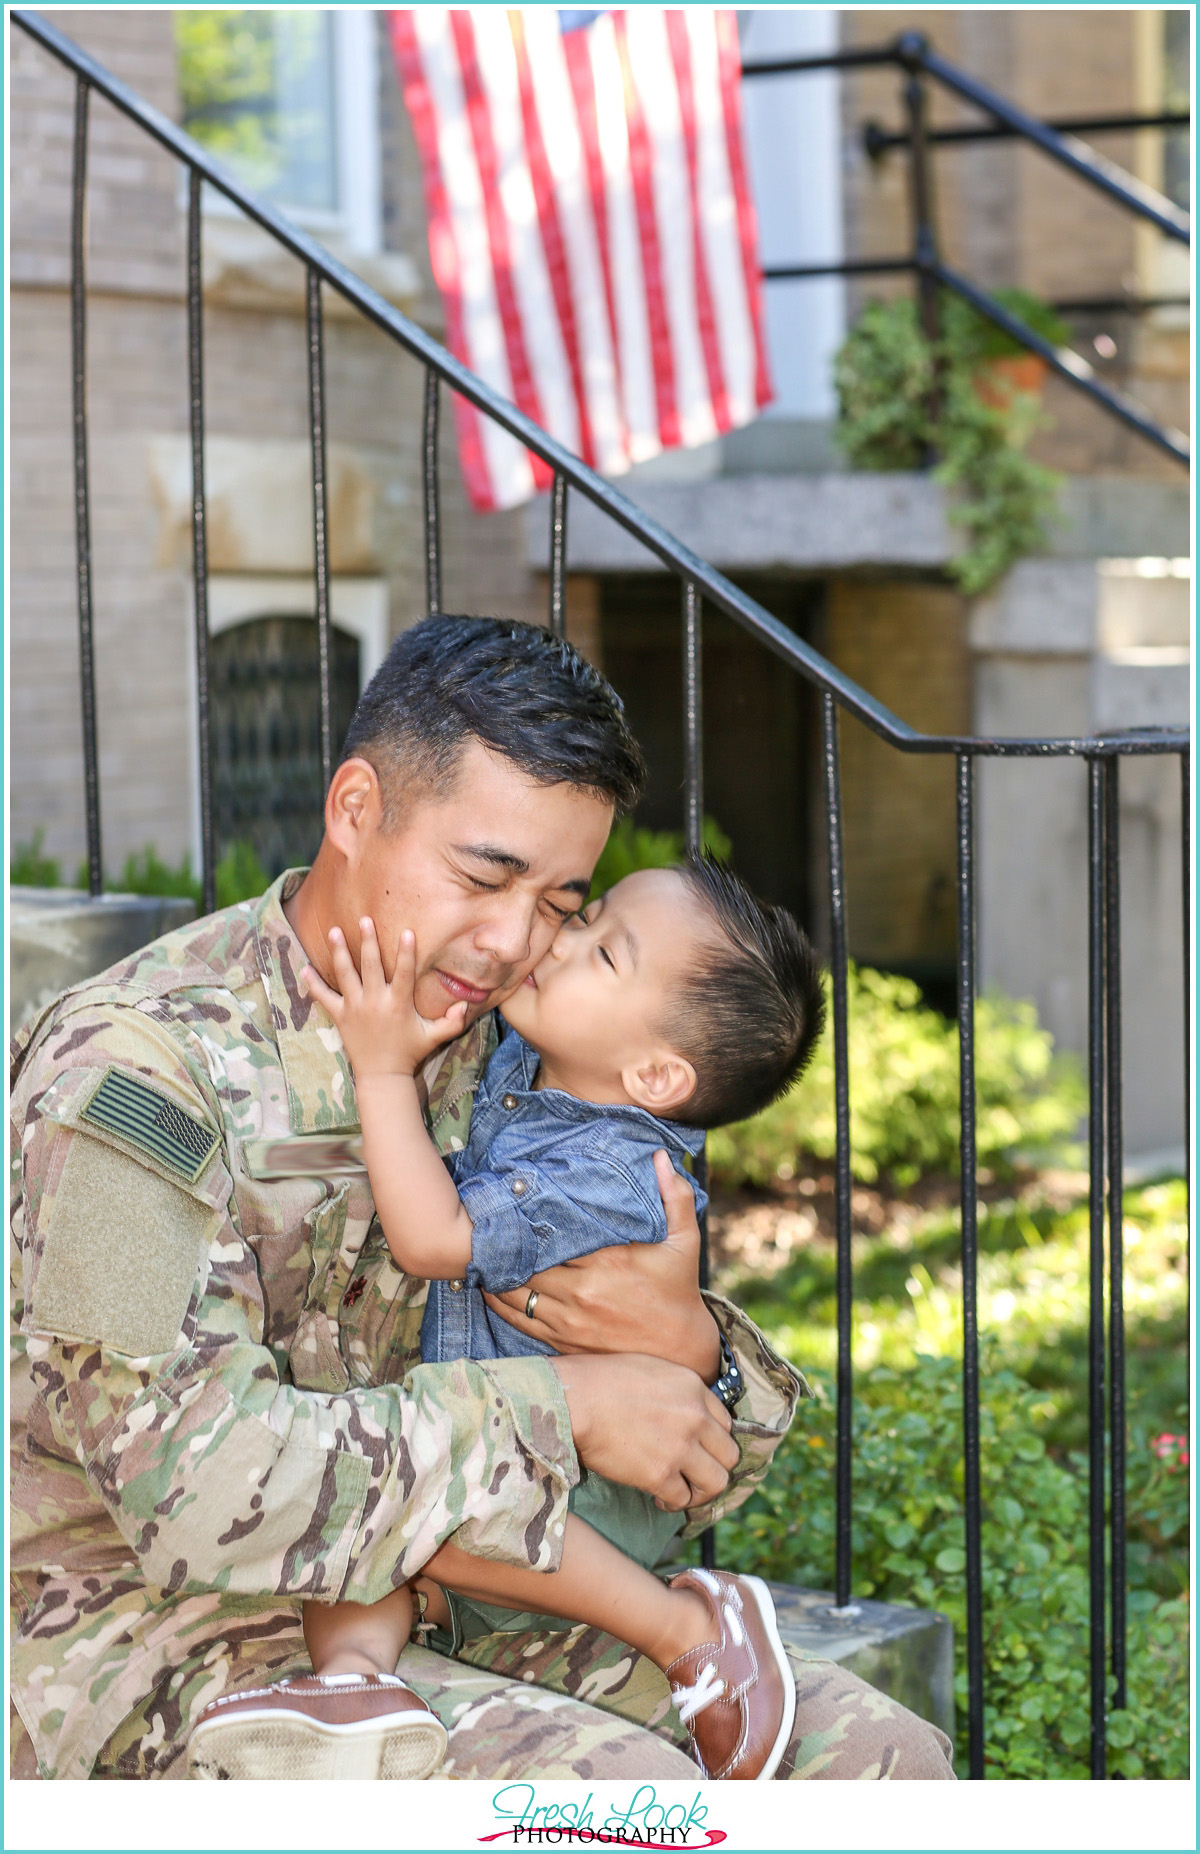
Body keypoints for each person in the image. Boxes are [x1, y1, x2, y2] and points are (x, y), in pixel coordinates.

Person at [10, 615, 956, 1781]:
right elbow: (196, 1491)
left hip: (467, 1595)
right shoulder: (128, 1080)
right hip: (156, 1628)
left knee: (881, 1765)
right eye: (483, 875)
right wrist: (560, 1407)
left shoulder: (513, 1045)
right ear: (356, 809)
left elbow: (694, 1457)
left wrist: (686, 1347)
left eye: (563, 901)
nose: (517, 940)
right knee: (620, 1806)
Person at [188, 856, 826, 1782]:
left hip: (587, 1485)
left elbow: (435, 1240)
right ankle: (354, 1688)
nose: (556, 940)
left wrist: (380, 1069)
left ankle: (690, 1628)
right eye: (586, 913)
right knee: (367, 1544)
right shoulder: (543, 1061)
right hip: (500, 1449)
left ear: (652, 1073)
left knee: (420, 1509)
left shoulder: (603, 1174)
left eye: (602, 953)